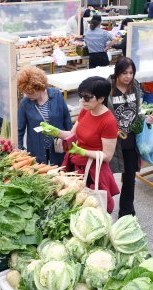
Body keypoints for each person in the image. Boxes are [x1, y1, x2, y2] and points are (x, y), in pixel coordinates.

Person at [40, 77, 119, 213]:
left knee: (90, 208)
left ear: (101, 99)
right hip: (75, 165)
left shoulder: (108, 121)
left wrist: (83, 152)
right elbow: (72, 134)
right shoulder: (85, 111)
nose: (82, 101)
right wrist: (55, 131)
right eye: (81, 96)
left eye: (87, 97)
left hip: (93, 171)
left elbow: (107, 156)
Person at [107, 57, 153, 218]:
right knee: (107, 177)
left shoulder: (135, 86)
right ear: (117, 73)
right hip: (112, 142)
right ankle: (103, 210)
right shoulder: (108, 89)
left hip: (131, 140)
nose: (128, 76)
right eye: (124, 73)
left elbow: (137, 110)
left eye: (131, 72)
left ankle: (126, 212)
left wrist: (144, 120)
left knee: (130, 178)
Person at [18, 66, 72, 166]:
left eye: (30, 93)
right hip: (37, 148)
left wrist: (71, 140)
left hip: (58, 146)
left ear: (40, 88)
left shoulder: (56, 95)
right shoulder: (25, 103)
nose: (28, 96)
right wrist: (19, 149)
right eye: (26, 93)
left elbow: (66, 119)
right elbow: (19, 129)